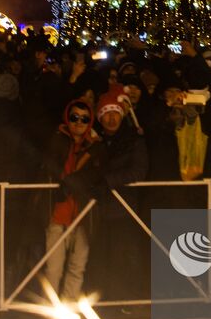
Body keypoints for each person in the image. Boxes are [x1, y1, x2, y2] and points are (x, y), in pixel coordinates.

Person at [87, 92, 149, 300]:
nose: (111, 118)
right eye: (106, 114)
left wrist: (108, 180)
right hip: (99, 209)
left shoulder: (133, 140)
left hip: (125, 206)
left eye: (115, 113)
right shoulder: (96, 141)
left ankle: (125, 299)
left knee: (124, 255)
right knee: (102, 256)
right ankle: (105, 299)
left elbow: (139, 170)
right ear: (100, 117)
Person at [42, 99, 101, 299]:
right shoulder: (57, 140)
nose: (78, 123)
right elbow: (49, 164)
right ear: (68, 118)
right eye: (74, 117)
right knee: (54, 269)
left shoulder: (94, 147)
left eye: (84, 119)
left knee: (77, 267)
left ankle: (68, 307)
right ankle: (51, 309)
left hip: (82, 216)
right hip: (58, 214)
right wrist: (65, 180)